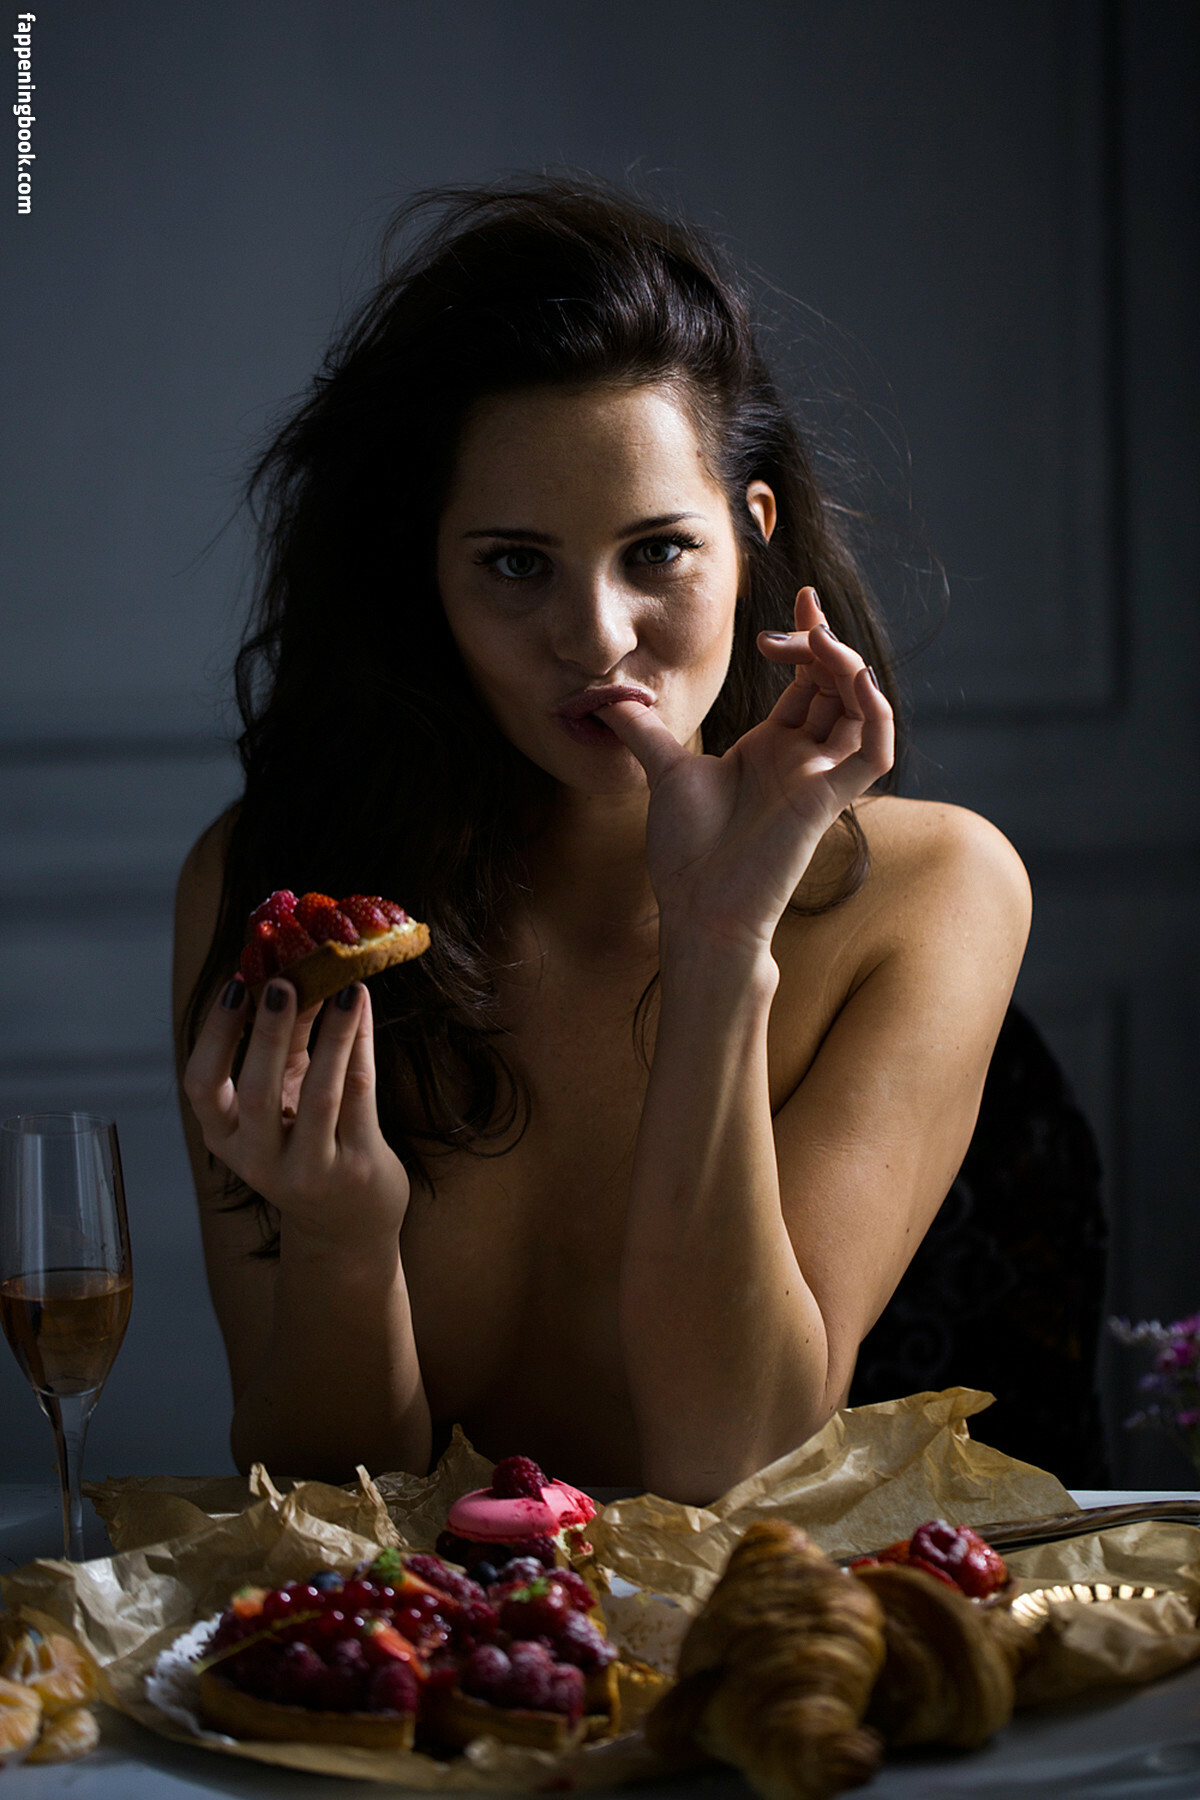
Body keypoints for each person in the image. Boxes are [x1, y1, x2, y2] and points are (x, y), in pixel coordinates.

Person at [174, 178, 1030, 1504]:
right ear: (426, 575)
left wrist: (719, 943)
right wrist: (342, 1244)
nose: (597, 638)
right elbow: (319, 1514)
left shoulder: (937, 889)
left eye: (657, 553)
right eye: (516, 564)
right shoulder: (276, 890)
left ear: (750, 534)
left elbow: (730, 1460)